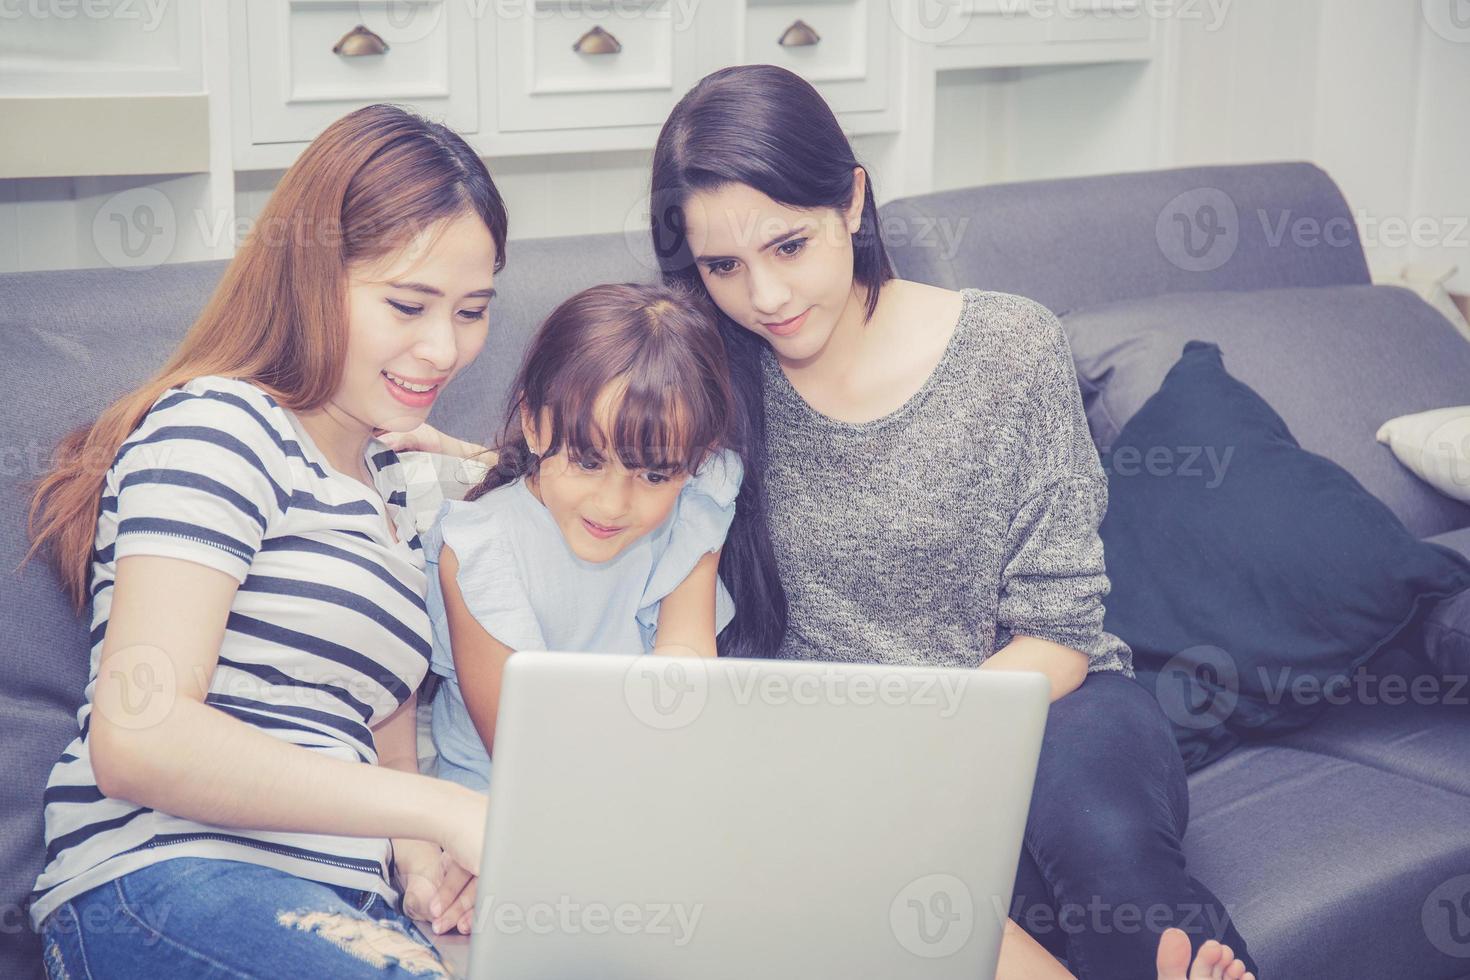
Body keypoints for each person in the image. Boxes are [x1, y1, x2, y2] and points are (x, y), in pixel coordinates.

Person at [394, 65, 1261, 980]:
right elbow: (599, 465)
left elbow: (1060, 633)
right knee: (958, 908)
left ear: (851, 200)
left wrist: (922, 748)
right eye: (723, 267)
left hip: (1041, 709)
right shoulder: (714, 378)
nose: (765, 296)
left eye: (789, 244)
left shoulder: (1011, 348)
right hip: (823, 764)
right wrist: (458, 459)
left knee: (1108, 858)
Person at [25, 104, 504, 977]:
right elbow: (140, 737)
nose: (444, 349)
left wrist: (421, 856)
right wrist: (440, 806)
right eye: (408, 303)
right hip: (168, 880)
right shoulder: (219, 423)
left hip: (340, 906)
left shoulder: (389, 482)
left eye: (473, 311)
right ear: (311, 276)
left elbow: (371, 716)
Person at [423, 282, 751, 791]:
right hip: (509, 801)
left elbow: (683, 682)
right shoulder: (481, 551)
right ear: (532, 425)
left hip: (647, 779)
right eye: (588, 461)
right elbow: (527, 755)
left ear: (695, 461)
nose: (612, 505)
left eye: (655, 475)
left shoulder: (693, 504)